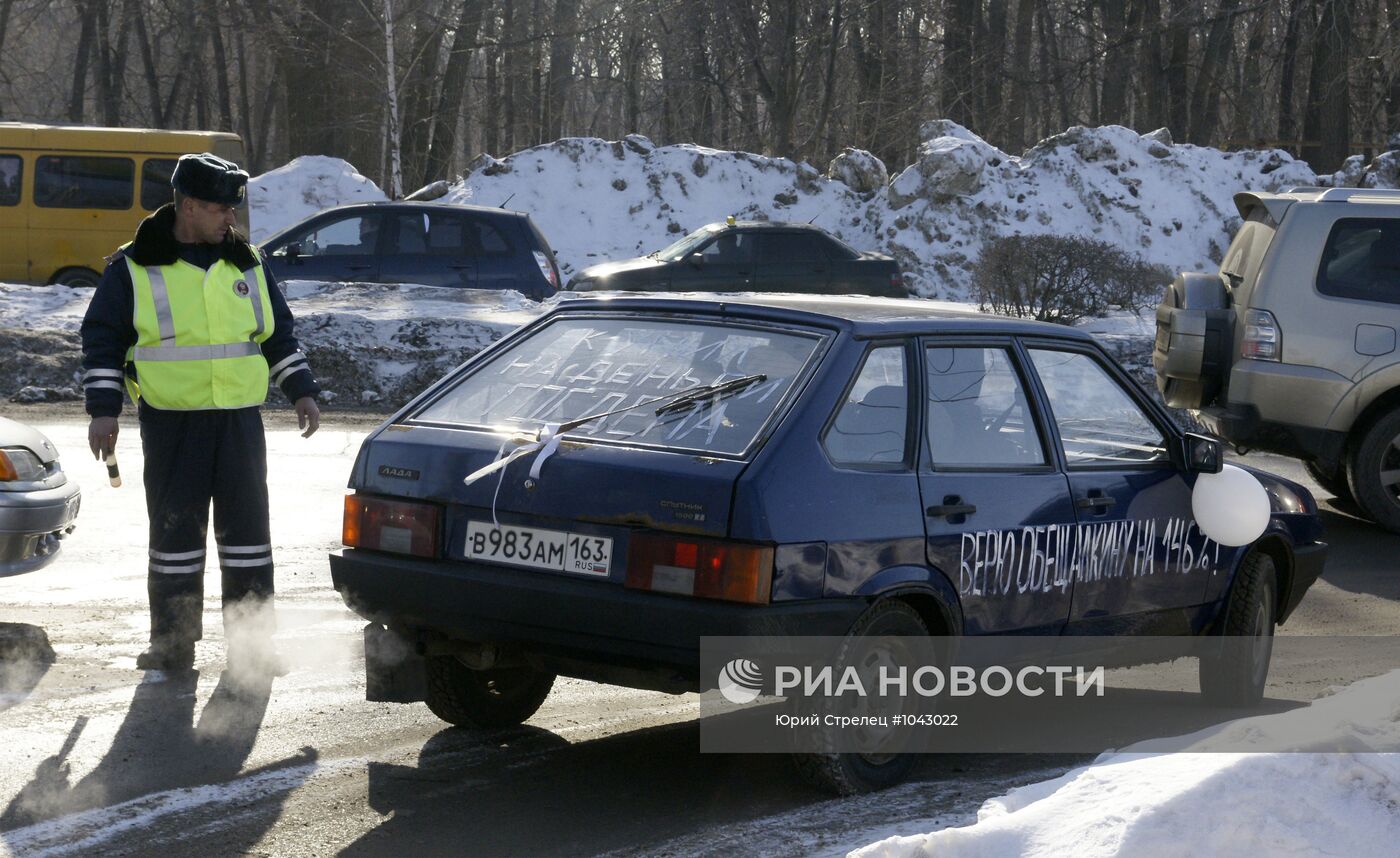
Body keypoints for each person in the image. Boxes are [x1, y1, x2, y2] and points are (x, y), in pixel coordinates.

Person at [80, 152, 321, 673]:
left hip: (238, 422)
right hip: (171, 424)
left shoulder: (247, 262)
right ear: (188, 206)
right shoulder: (132, 267)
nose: (230, 218)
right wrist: (104, 411)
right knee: (175, 538)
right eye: (220, 209)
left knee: (248, 540)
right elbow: (103, 341)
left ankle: (253, 649)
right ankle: (171, 646)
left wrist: (301, 388)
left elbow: (276, 335)